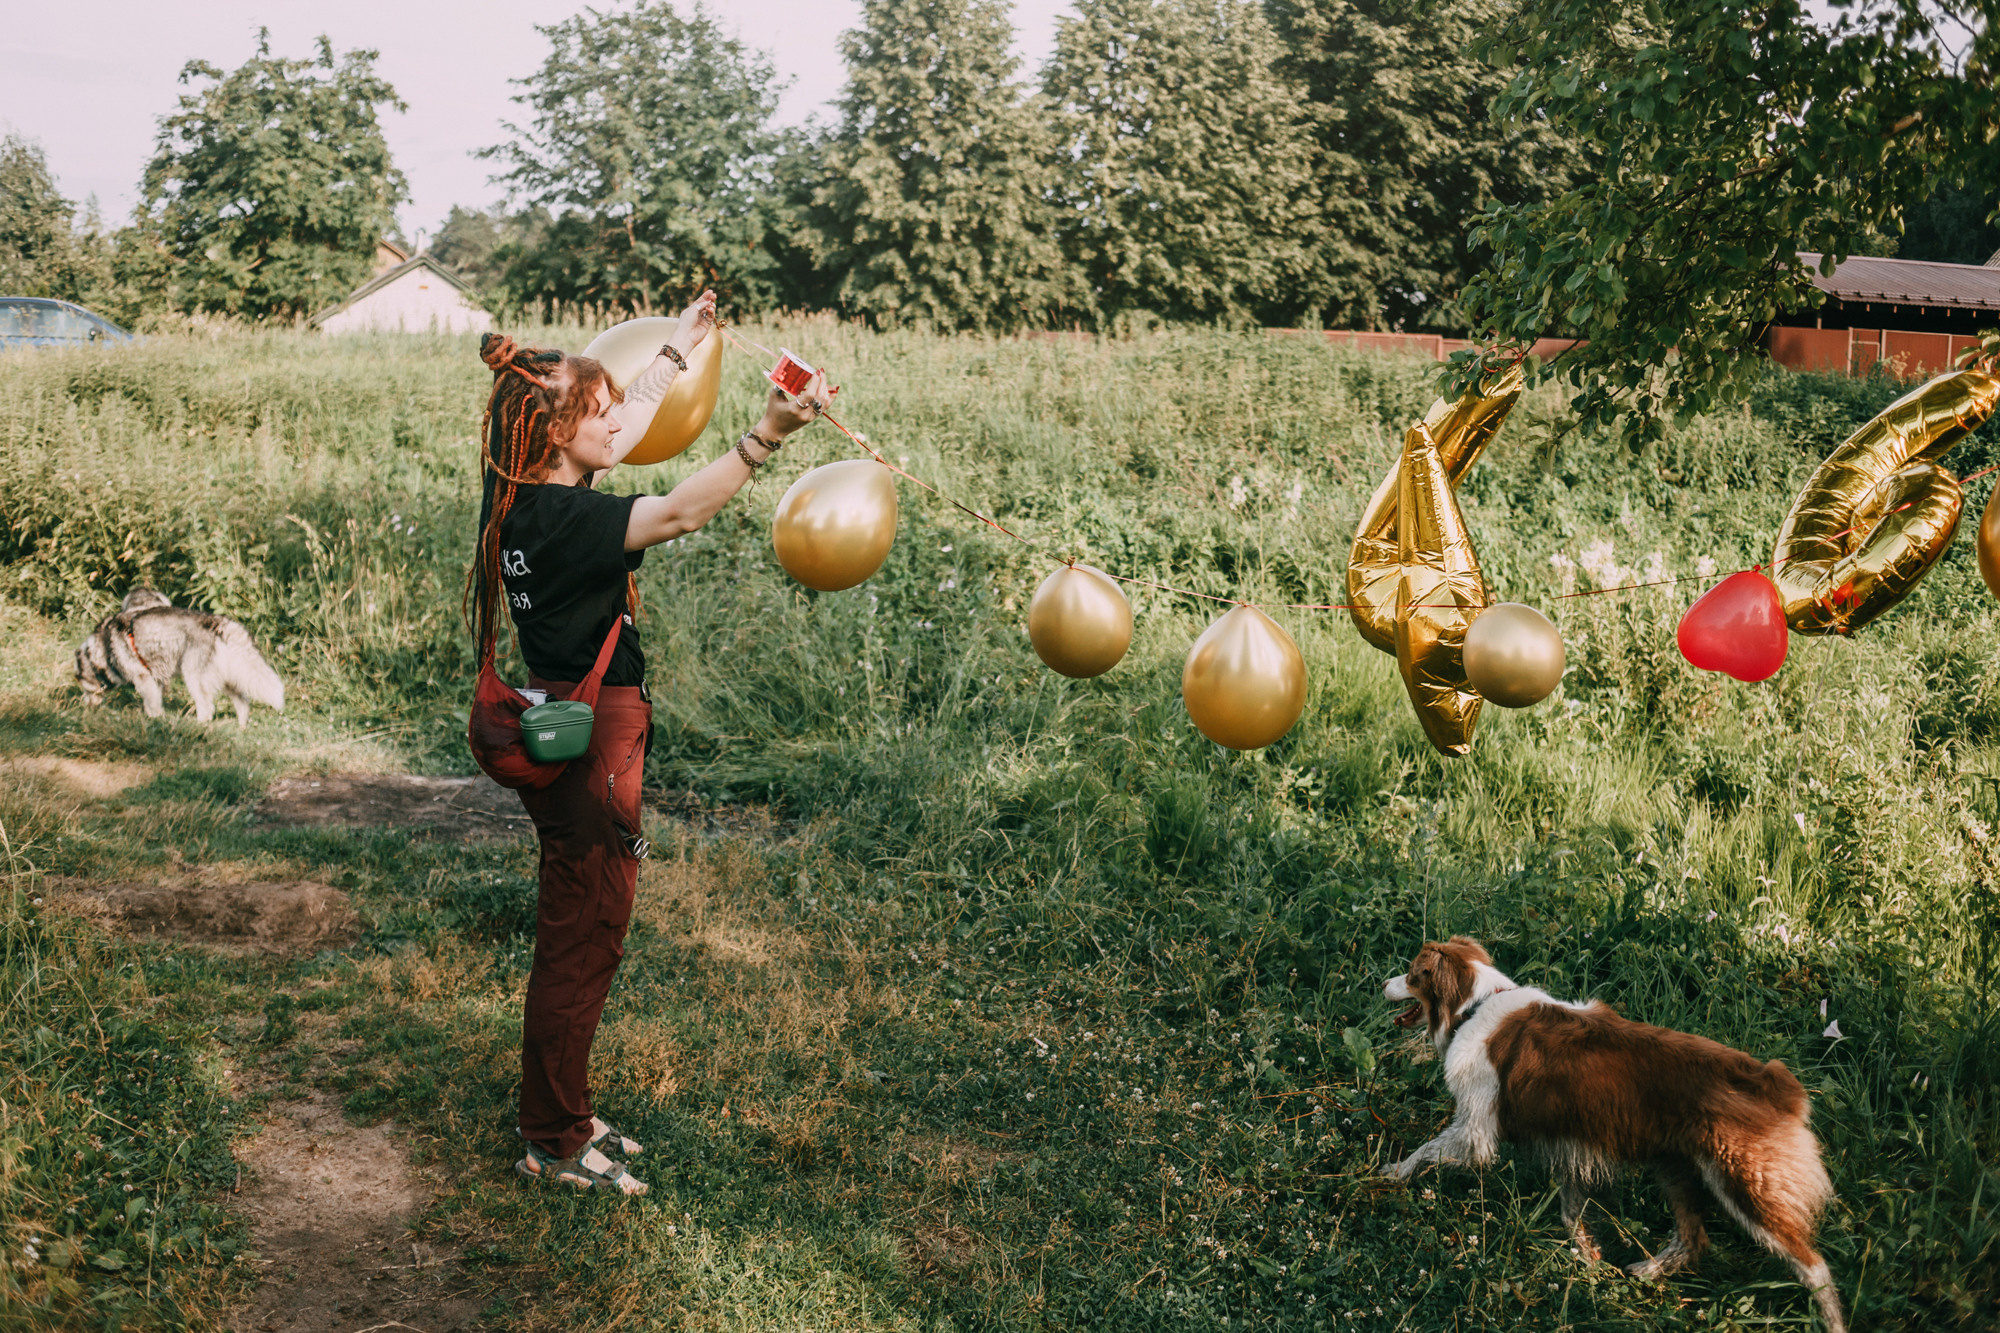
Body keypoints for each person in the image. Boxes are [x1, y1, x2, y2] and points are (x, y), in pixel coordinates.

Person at [466, 292, 829, 1194]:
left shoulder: (523, 493)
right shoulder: (567, 521)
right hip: (595, 744)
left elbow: (620, 432)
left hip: (574, 722)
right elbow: (674, 514)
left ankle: (566, 1112)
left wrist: (676, 347)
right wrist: (765, 436)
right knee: (583, 936)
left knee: (583, 926)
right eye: (595, 411)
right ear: (557, 432)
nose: (615, 420)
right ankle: (551, 1138)